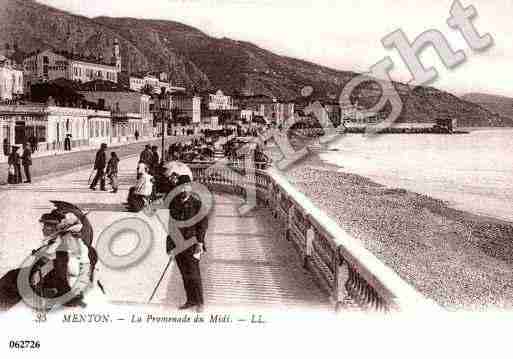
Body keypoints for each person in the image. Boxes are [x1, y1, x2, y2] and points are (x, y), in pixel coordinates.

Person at [167, 174, 208, 312]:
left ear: (190, 188)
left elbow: (202, 225)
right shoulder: (175, 203)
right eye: (181, 187)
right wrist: (170, 247)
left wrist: (200, 243)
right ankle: (190, 300)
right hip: (178, 245)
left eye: (186, 187)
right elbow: (171, 226)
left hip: (192, 244)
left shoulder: (197, 204)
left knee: (194, 273)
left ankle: (200, 302)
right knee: (185, 273)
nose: (184, 190)